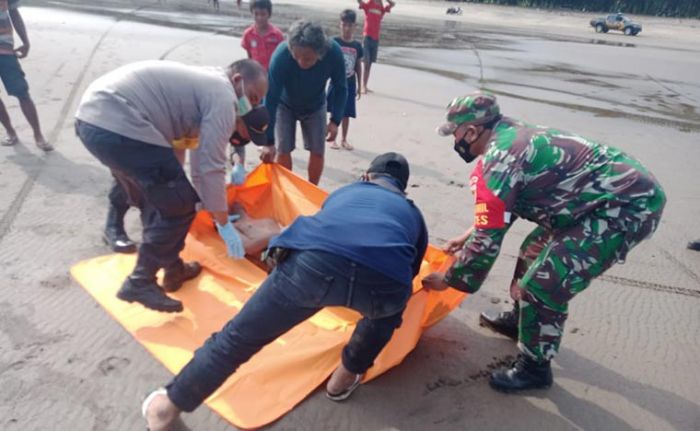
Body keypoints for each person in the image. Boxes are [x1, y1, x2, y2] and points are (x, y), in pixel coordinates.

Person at [142, 153, 428, 430]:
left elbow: (326, 233)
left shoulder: (347, 192)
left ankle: (167, 407)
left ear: (366, 177)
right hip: (383, 284)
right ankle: (344, 377)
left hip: (311, 269)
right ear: (402, 190)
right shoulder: (413, 214)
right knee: (386, 314)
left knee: (236, 339)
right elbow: (410, 275)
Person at [422, 92, 666, 392]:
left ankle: (535, 368)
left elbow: (488, 239)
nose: (454, 140)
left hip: (626, 205)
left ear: (471, 131)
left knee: (544, 284)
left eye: (455, 133)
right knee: (532, 250)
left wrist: (449, 279)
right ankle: (520, 318)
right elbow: (499, 212)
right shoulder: (506, 133)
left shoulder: (500, 160)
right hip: (588, 201)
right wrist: (466, 235)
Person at [75, 59, 274, 313]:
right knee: (180, 205)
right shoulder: (224, 98)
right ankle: (140, 281)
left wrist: (200, 200)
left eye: (257, 103)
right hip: (119, 121)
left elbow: (184, 154)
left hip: (94, 120)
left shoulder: (206, 84)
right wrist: (223, 223)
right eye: (253, 98)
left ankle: (172, 268)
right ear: (237, 81)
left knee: (162, 201)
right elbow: (209, 166)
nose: (251, 106)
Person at [265, 20, 347, 185]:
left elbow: (340, 87)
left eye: (308, 59)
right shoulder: (281, 56)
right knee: (282, 149)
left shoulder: (334, 53)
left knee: (318, 150)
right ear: (291, 50)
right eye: (297, 57)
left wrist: (335, 120)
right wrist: (268, 141)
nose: (302, 62)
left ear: (320, 52)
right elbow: (271, 98)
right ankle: (286, 191)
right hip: (284, 104)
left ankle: (312, 189)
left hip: (315, 105)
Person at [0, 0, 51, 151]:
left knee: (22, 92)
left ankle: (38, 134)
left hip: (5, 50)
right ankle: (10, 131)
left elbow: (14, 13)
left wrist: (26, 41)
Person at [327, 9, 363, 151]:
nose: (347, 28)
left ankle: (344, 139)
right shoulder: (334, 42)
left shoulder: (357, 46)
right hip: (335, 82)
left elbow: (358, 66)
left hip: (350, 83)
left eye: (350, 25)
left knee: (347, 112)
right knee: (334, 110)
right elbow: (327, 63)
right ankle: (333, 139)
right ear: (340, 25)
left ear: (355, 26)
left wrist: (360, 85)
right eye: (344, 25)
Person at [357, 0, 395, 94]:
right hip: (367, 37)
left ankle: (365, 85)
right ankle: (362, 86)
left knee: (369, 65)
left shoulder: (381, 8)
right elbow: (360, 2)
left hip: (376, 39)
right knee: (366, 63)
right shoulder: (370, 3)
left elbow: (392, 4)